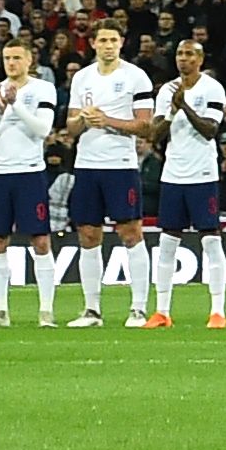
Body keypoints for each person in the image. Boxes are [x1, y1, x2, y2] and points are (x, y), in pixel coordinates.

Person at [65, 19, 157, 331]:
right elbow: (71, 126)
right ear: (93, 44)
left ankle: (139, 308)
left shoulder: (136, 77)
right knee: (88, 235)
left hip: (120, 165)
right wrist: (83, 121)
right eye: (102, 40)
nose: (107, 45)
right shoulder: (82, 78)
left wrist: (107, 120)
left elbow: (146, 126)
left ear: (121, 42)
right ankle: (92, 310)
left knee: (130, 232)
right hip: (87, 164)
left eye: (113, 40)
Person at [0, 37, 59, 329]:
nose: (11, 63)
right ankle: (0, 312)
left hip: (30, 173)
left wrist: (15, 105)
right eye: (7, 58)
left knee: (41, 240)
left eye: (17, 58)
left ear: (29, 60)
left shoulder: (43, 89)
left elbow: (43, 130)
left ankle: (46, 311)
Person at [153, 34, 226, 333]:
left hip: (202, 174)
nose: (183, 59)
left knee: (211, 240)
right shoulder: (166, 91)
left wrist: (185, 107)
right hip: (174, 174)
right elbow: (155, 134)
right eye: (180, 54)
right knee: (166, 242)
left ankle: (217, 311)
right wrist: (173, 110)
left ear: (200, 60)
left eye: (189, 54)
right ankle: (162, 311)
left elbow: (211, 130)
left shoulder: (212, 88)